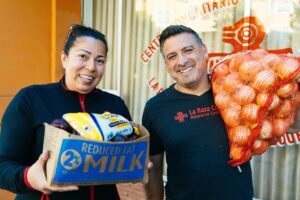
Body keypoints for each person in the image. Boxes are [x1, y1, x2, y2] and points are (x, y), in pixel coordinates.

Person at [0, 24, 132, 200]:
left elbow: (126, 150)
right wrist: (28, 177)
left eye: (99, 60)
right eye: (83, 56)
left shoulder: (115, 105)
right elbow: (3, 165)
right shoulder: (31, 99)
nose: (92, 67)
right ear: (64, 58)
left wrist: (133, 161)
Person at [142, 25, 254, 200]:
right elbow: (153, 168)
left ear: (204, 51)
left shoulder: (234, 93)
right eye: (172, 56)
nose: (181, 61)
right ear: (167, 64)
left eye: (188, 50)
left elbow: (286, 124)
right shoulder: (155, 108)